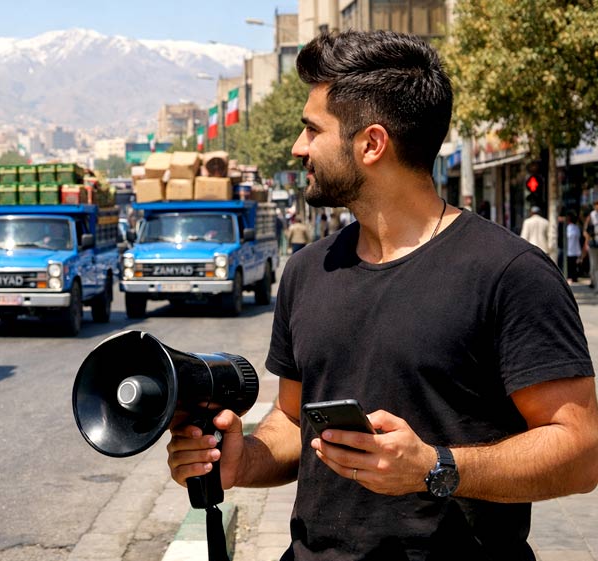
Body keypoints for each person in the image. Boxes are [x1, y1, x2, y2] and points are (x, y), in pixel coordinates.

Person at [166, 30, 598, 560]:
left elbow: (580, 450)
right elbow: (296, 422)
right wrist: (243, 460)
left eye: (311, 129)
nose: (298, 147)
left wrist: (435, 467)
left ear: (371, 143)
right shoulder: (307, 269)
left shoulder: (511, 273)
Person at [566, 213, 583, 283]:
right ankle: (574, 277)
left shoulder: (569, 227)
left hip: (571, 250)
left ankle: (572, 277)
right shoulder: (576, 228)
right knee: (574, 265)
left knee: (572, 265)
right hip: (575, 249)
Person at [585, 201, 598, 288]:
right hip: (593, 242)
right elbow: (586, 230)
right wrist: (586, 242)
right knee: (594, 265)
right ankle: (594, 282)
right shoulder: (591, 215)